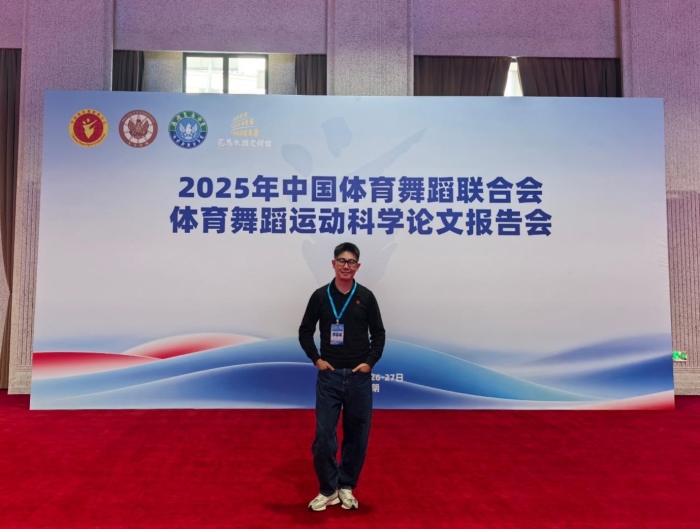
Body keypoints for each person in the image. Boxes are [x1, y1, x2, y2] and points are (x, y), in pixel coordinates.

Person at [299, 242, 386, 512]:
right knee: (324, 437)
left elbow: (379, 334)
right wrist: (317, 359)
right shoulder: (320, 296)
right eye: (341, 261)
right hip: (330, 377)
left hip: (359, 378)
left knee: (357, 436)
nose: (346, 266)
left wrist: (370, 362)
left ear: (357, 266)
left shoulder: (366, 297)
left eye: (351, 262)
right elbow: (304, 331)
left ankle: (346, 486)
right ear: (333, 264)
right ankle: (328, 490)